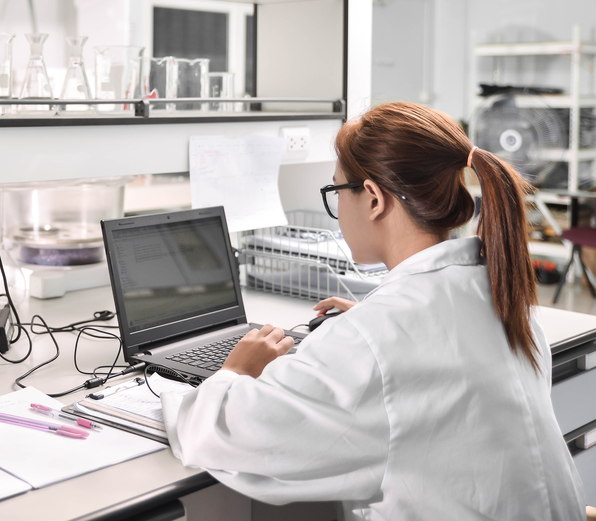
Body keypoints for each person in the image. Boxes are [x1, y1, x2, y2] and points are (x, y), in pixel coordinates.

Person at [161, 102, 585, 520]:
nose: (338, 209)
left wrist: (236, 370)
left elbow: (213, 432)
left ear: (373, 199)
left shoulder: (377, 338)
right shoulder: (502, 295)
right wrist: (369, 322)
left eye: (336, 191)